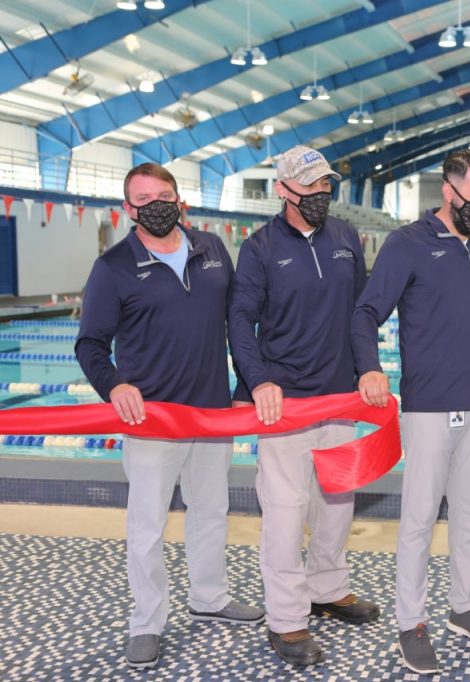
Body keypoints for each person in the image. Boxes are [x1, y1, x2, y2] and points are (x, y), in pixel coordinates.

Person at [75, 163, 264, 670]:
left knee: (211, 511)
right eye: (144, 198)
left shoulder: (212, 250)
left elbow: (238, 324)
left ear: (180, 199)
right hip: (153, 420)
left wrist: (246, 387)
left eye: (165, 194)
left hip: (211, 413)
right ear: (127, 209)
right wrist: (114, 385)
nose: (156, 204)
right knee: (147, 526)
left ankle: (209, 597)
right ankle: (147, 622)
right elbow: (90, 344)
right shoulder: (113, 267)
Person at [351, 149, 470, 675]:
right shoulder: (407, 244)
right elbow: (365, 312)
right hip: (428, 407)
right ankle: (412, 623)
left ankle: (464, 608)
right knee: (419, 521)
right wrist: (369, 368)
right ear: (448, 192)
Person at [228, 145, 379, 667]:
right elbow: (239, 321)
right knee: (286, 515)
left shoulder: (345, 238)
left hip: (339, 398)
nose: (320, 195)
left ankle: (329, 587)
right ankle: (288, 620)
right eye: (310, 187)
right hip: (286, 405)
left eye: (325, 186)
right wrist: (259, 380)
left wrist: (369, 370)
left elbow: (362, 312)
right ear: (283, 190)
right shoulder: (260, 247)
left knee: (338, 503)